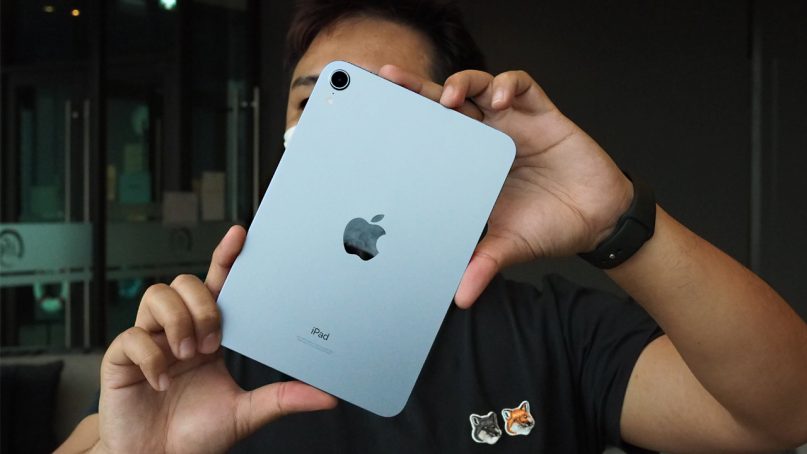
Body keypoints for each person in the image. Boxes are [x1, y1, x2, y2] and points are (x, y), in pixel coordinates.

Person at [58, 1, 807, 453]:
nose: (337, 129)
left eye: (388, 104)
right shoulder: (209, 345)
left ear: (458, 133)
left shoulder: (555, 334)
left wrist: (614, 217)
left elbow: (782, 414)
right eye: (314, 101)